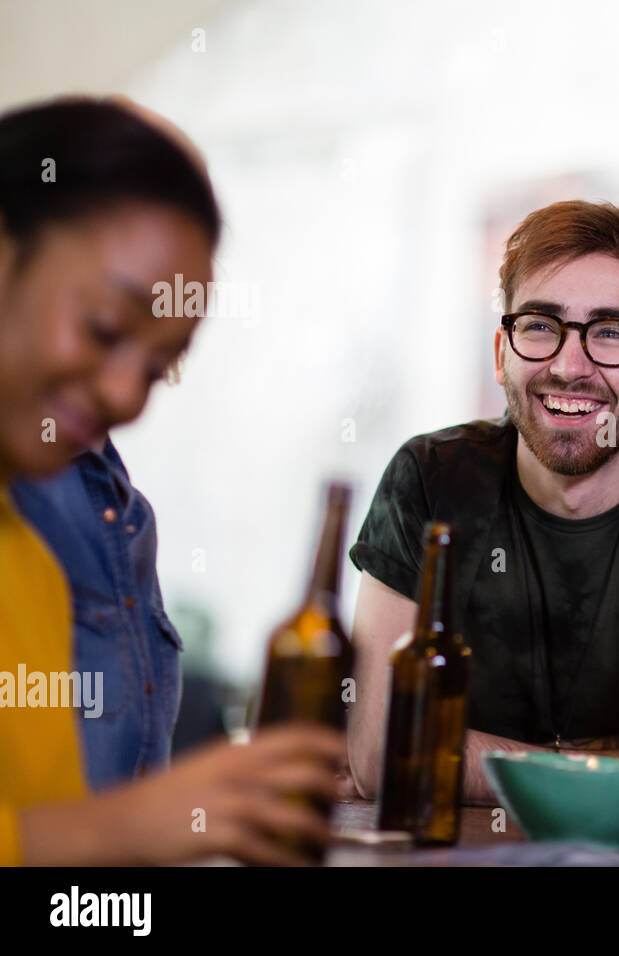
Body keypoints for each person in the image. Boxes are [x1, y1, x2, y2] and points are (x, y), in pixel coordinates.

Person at [0, 96, 342, 865]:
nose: (127, 398)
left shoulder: (29, 566)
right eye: (105, 329)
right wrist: (128, 827)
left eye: (159, 367)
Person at [349, 200, 619, 801]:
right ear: (501, 352)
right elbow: (381, 756)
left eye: (612, 333)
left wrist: (455, 756)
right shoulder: (430, 479)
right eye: (541, 325)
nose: (570, 367)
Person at [10, 434, 183, 791]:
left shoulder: (134, 515)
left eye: (151, 376)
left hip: (126, 841)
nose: (124, 394)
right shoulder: (23, 496)